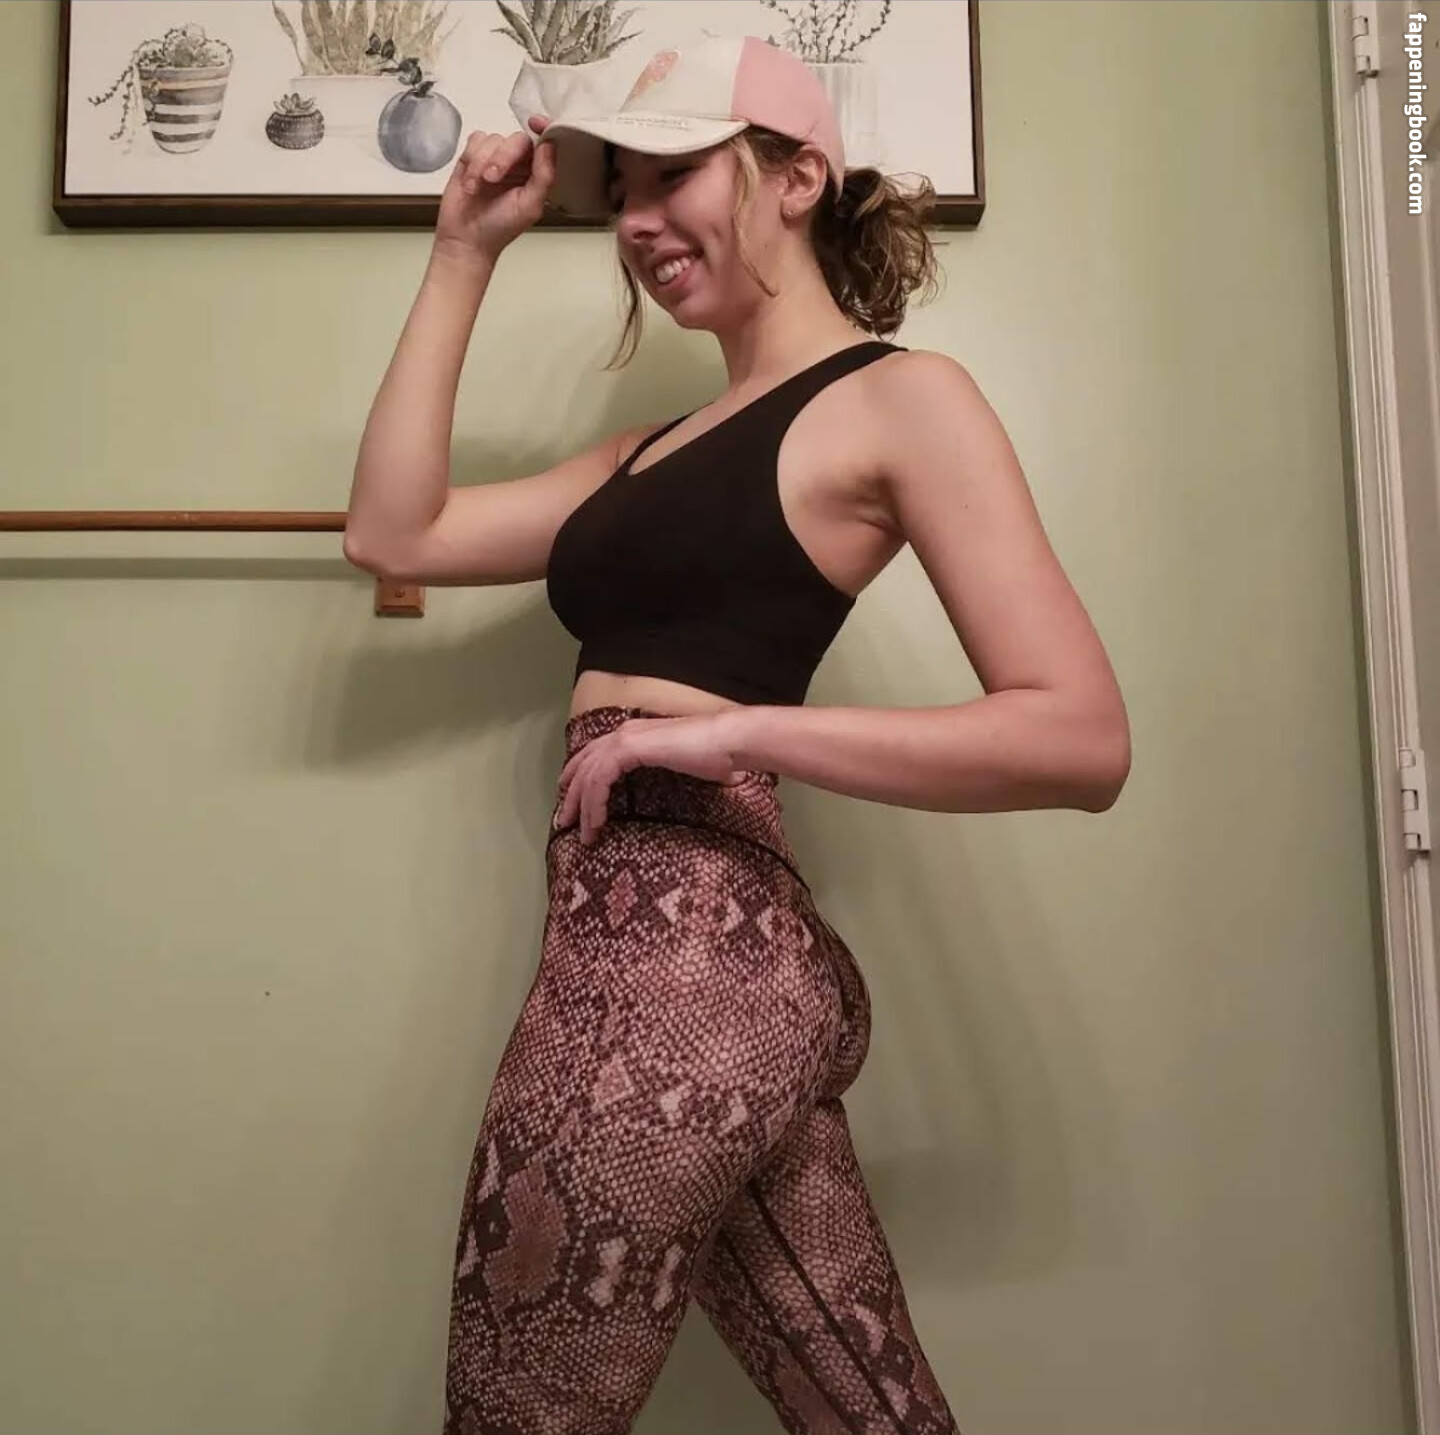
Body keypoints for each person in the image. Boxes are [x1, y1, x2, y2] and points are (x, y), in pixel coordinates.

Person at [345, 32, 1129, 1435]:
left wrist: (739, 735)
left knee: (516, 1416)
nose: (638, 221)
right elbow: (394, 532)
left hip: (686, 972)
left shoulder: (900, 399)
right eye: (620, 193)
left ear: (797, 177)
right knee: (871, 1414)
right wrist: (464, 251)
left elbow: (1079, 738)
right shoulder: (645, 454)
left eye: (675, 175)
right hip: (662, 965)